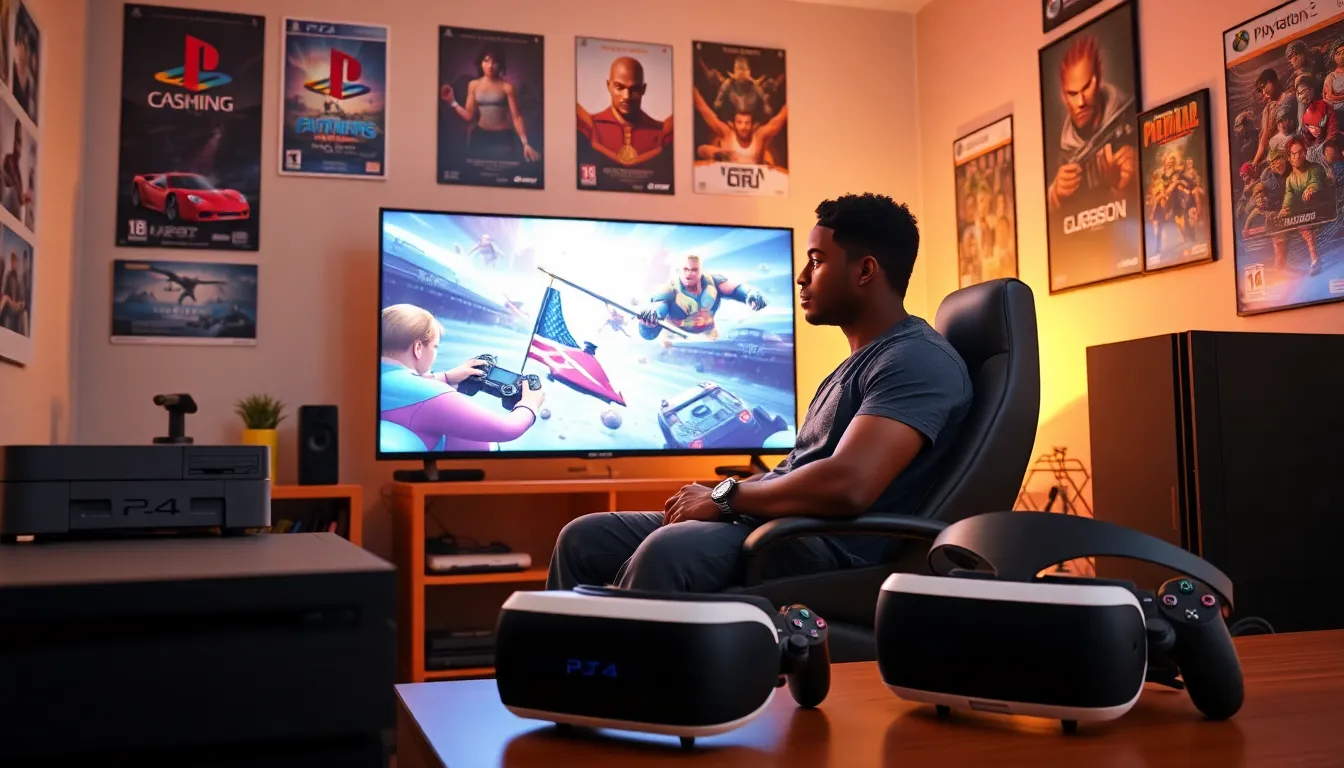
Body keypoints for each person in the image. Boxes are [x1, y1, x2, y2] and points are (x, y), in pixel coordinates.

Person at [547, 193, 973, 593]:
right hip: (779, 525)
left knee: (666, 553)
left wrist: (725, 496)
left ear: (864, 271)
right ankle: (574, 672)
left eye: (817, 261)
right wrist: (730, 496)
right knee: (583, 537)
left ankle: (631, 672)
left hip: (821, 545)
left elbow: (849, 484)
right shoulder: (865, 360)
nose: (802, 277)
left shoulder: (918, 360)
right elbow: (800, 469)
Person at [379, 303, 545, 452]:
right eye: (435, 346)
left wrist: (447, 376)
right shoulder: (433, 395)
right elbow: (507, 429)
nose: (435, 351)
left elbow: (405, 391)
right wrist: (529, 404)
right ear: (418, 348)